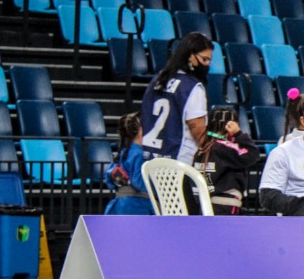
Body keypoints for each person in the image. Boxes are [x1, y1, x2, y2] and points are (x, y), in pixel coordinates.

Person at [140, 32, 212, 164]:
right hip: (177, 163)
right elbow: (198, 132)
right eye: (204, 59)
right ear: (191, 56)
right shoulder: (192, 87)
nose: (207, 64)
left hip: (149, 159)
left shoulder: (157, 80)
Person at [193, 107, 262, 215]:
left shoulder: (201, 150)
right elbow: (253, 154)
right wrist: (238, 134)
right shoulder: (226, 148)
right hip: (225, 206)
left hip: (203, 206)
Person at [104, 112, 154, 215]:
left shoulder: (121, 153)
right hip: (136, 206)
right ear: (140, 131)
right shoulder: (138, 154)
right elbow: (138, 182)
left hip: (119, 203)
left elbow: (109, 178)